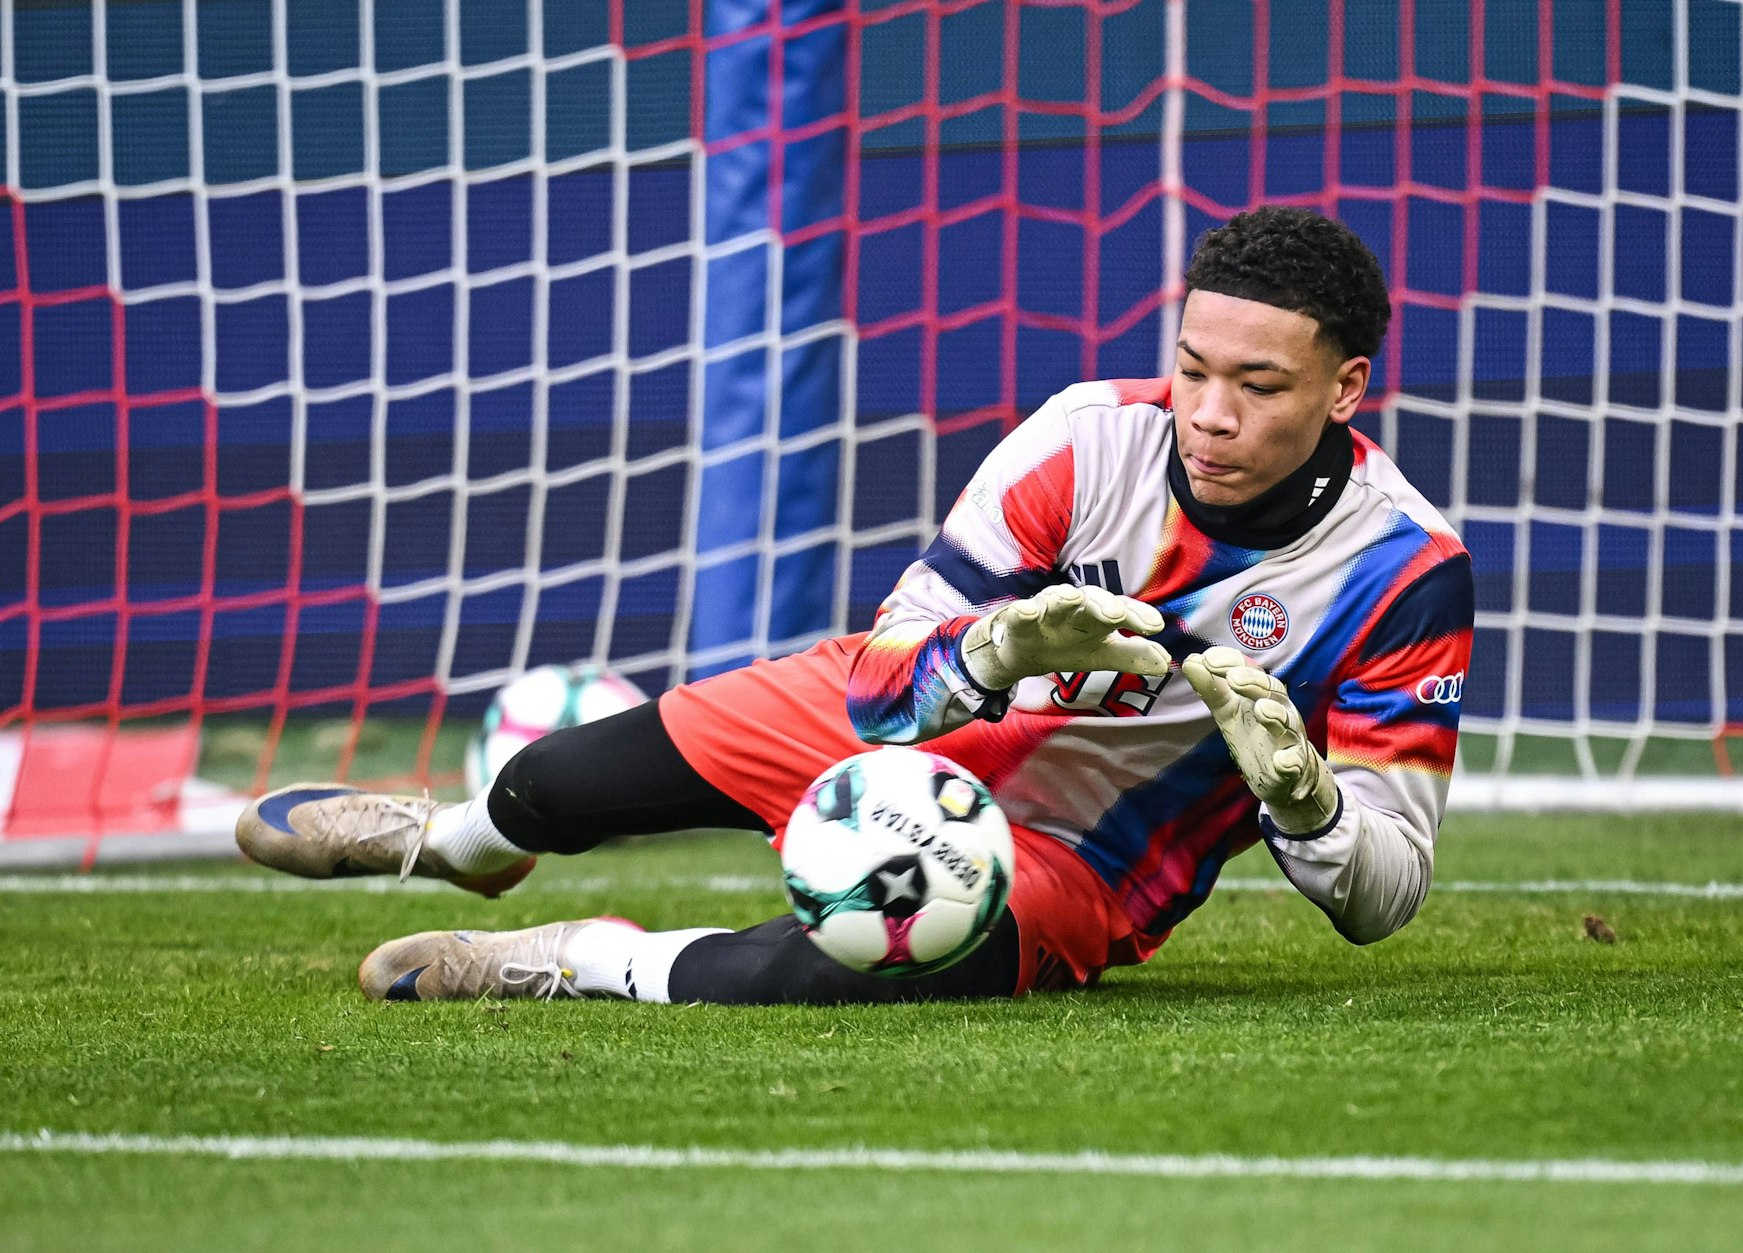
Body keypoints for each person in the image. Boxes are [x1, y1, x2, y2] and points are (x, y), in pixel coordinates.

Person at [236, 206, 1474, 1006]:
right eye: (1192, 368)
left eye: (1257, 386)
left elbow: (1383, 894)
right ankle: (453, 842)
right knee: (555, 786)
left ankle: (569, 958)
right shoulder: (1081, 443)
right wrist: (989, 647)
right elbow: (884, 682)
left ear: (1345, 387)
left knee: (873, 964)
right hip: (903, 725)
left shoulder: (1404, 572)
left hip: (1071, 854)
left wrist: (1304, 801)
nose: (1208, 412)